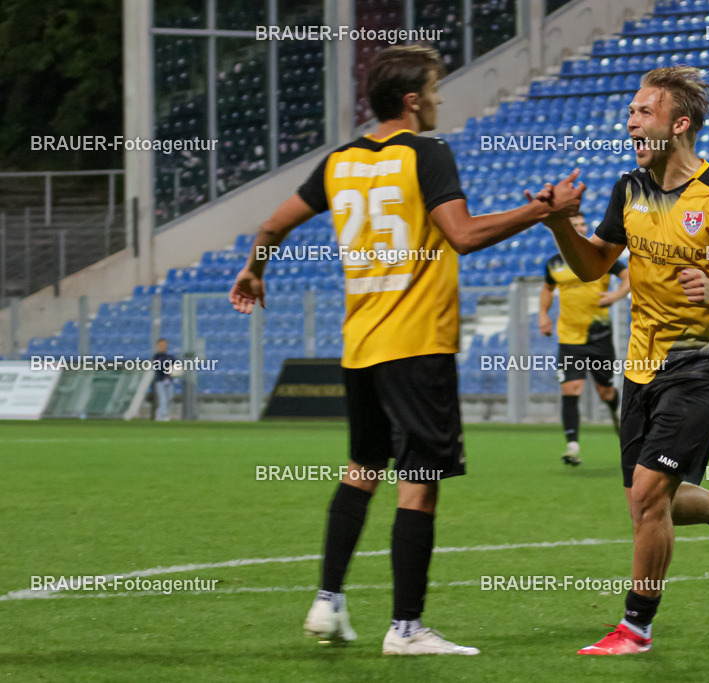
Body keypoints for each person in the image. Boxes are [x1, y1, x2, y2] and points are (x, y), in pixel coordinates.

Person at [229, 45, 583, 656]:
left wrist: (254, 272)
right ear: (413, 100)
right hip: (417, 344)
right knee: (419, 482)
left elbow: (270, 227)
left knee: (363, 470)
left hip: (361, 345)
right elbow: (463, 236)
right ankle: (406, 628)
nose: (442, 99)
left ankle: (328, 602)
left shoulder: (339, 162)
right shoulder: (426, 152)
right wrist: (541, 211)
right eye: (436, 89)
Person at [528, 66, 709, 655]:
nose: (629, 120)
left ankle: (636, 627)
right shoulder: (629, 188)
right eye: (629, 111)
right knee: (654, 501)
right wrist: (554, 225)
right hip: (640, 363)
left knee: (648, 497)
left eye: (643, 112)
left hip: (704, 361)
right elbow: (594, 264)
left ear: (678, 124)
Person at [539, 214, 629, 465]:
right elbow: (547, 289)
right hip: (569, 338)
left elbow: (627, 276)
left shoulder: (598, 256)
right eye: (574, 225)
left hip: (599, 337)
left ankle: (616, 415)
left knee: (606, 392)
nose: (579, 229)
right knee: (571, 389)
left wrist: (616, 296)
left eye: (581, 225)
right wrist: (543, 315)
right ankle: (572, 447)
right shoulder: (554, 264)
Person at [152, 338, 175, 421]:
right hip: (160, 381)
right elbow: (160, 366)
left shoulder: (170, 356)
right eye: (161, 345)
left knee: (170, 398)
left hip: (169, 381)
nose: (163, 347)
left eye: (164, 345)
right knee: (163, 398)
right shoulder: (157, 356)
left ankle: (159, 412)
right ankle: (164, 415)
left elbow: (176, 366)